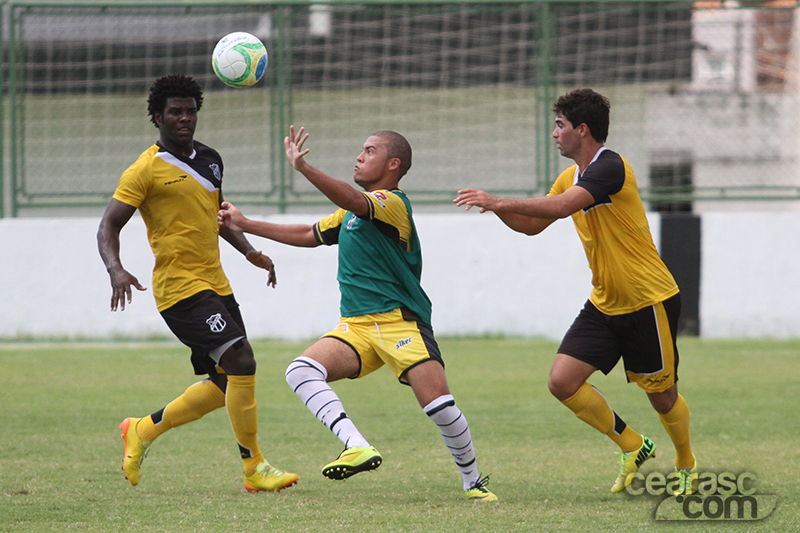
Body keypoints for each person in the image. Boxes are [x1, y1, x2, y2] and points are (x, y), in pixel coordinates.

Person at [218, 126, 498, 502]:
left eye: (369, 151)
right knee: (300, 371)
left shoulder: (392, 203)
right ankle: (357, 446)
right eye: (361, 150)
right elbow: (309, 234)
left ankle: (473, 482)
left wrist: (305, 169)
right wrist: (246, 224)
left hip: (400, 321)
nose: (359, 156)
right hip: (357, 325)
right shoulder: (350, 213)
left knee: (440, 408)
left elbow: (352, 199)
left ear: (393, 164)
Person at [454, 88, 697, 496]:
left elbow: (563, 207)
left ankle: (686, 462)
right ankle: (632, 445)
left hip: (648, 299)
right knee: (562, 381)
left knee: (662, 396)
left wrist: (499, 199)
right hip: (605, 301)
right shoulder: (570, 177)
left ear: (582, 129)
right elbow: (532, 225)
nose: (554, 134)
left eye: (560, 125)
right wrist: (496, 208)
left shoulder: (611, 166)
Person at [97, 74, 298, 493]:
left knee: (226, 383)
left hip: (215, 283)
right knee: (242, 361)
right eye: (175, 112)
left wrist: (250, 252)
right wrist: (116, 269)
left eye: (190, 111)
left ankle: (141, 430)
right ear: (158, 117)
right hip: (179, 289)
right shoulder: (144, 169)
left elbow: (218, 217)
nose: (184, 118)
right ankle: (254, 467)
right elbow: (108, 226)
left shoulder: (210, 160)